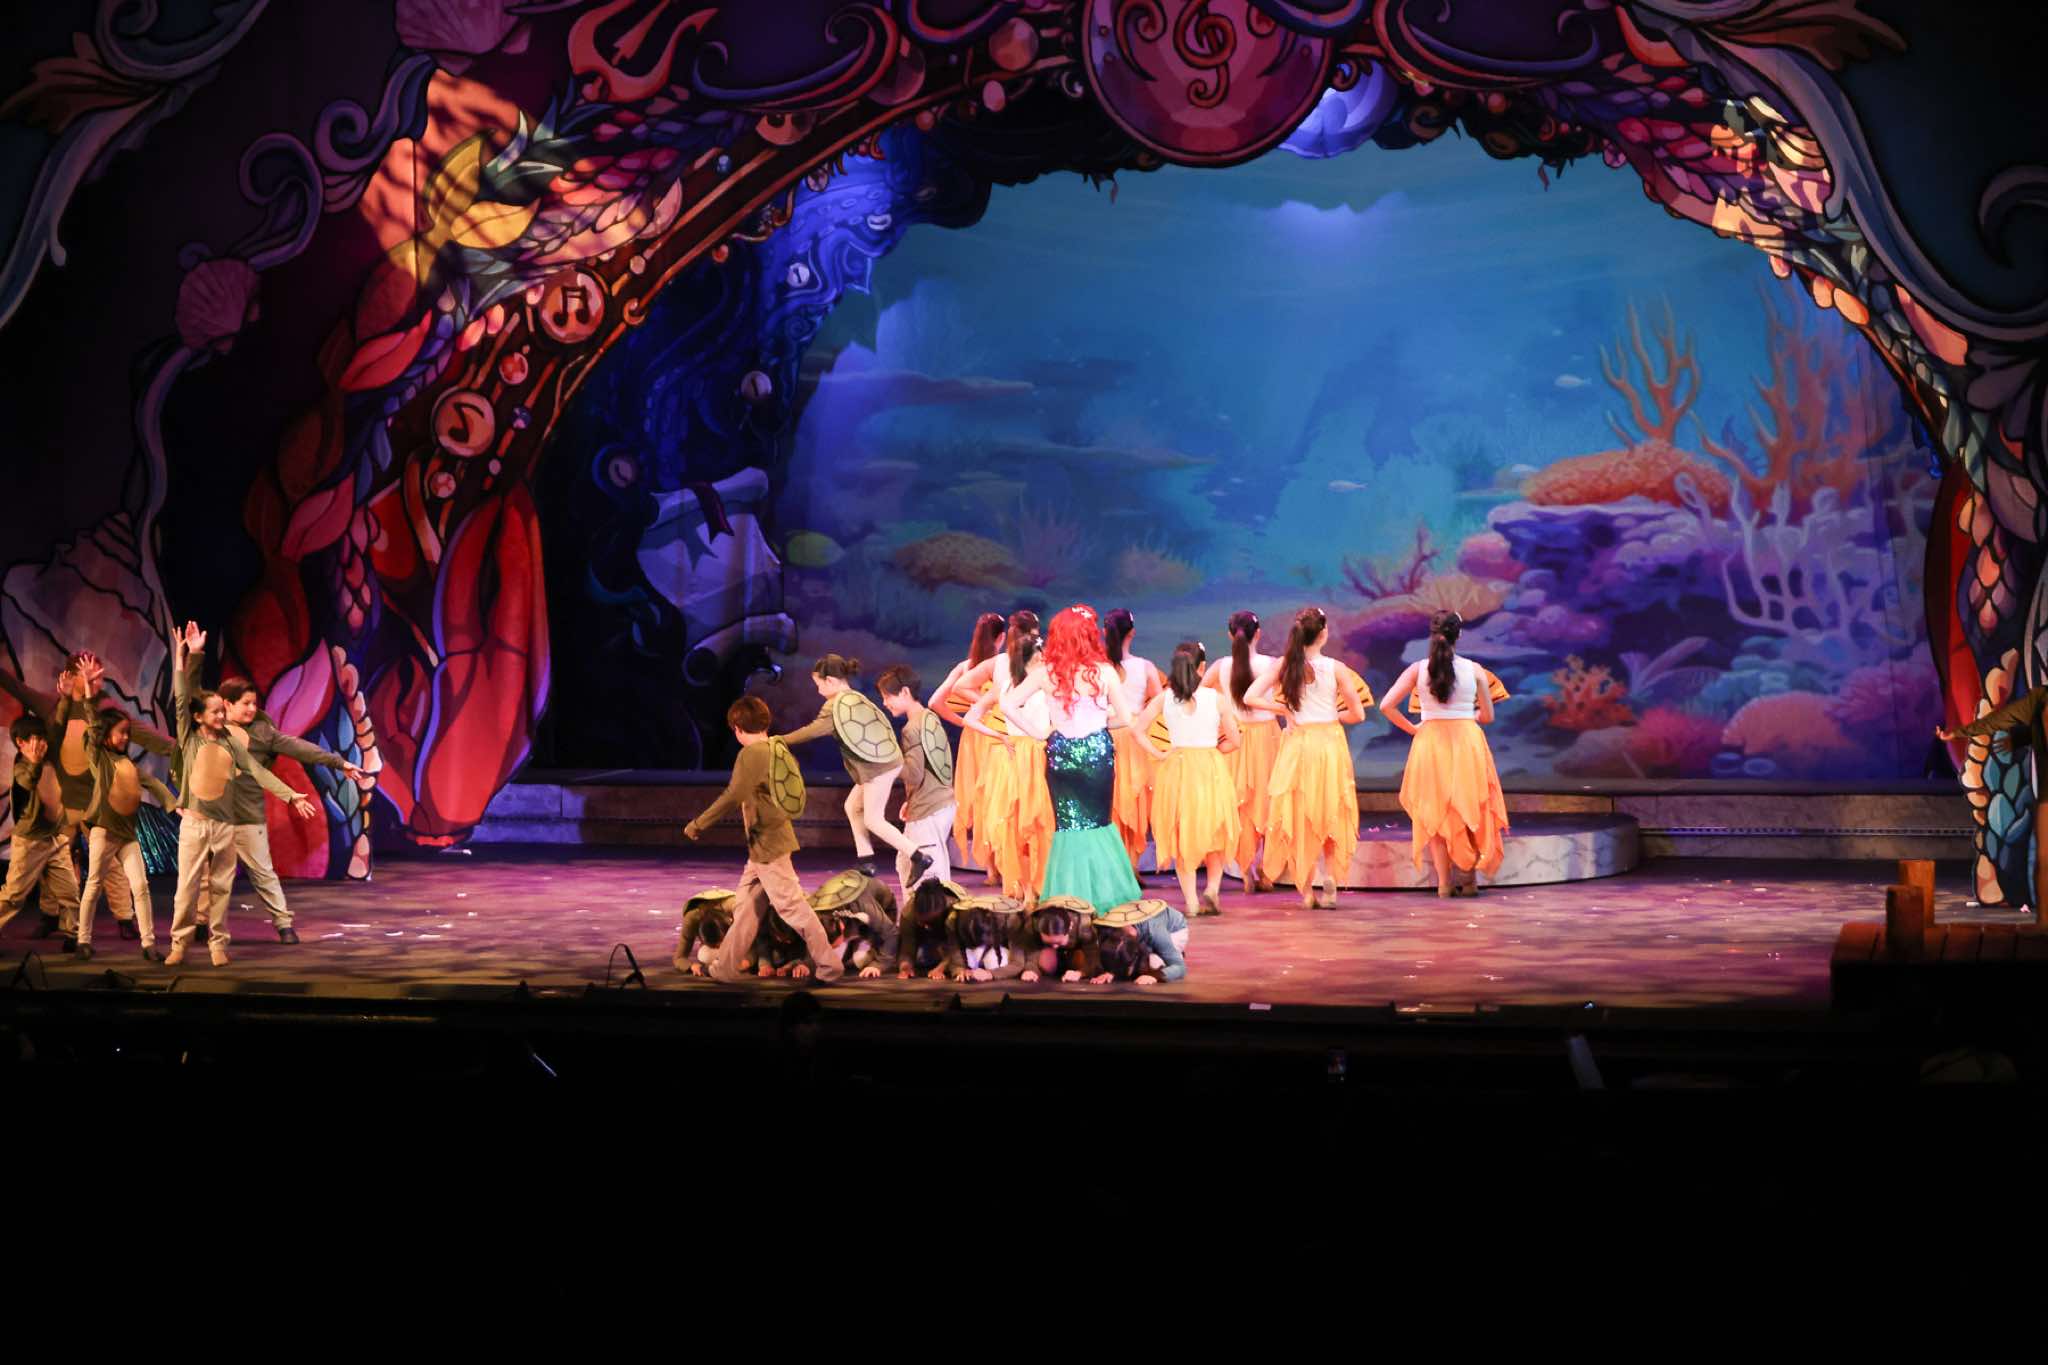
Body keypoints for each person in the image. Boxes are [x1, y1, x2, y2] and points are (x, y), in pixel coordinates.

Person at [166, 623, 317, 965]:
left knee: (222, 888)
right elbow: (182, 696)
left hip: (224, 825)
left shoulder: (232, 743)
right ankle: (179, 943)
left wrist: (291, 795)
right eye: (216, 711)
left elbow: (258, 771)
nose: (222, 716)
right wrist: (184, 656)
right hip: (194, 824)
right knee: (187, 888)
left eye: (223, 711)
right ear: (199, 717)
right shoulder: (190, 737)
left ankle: (218, 945)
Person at [1003, 605, 1161, 912]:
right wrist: (1099, 720)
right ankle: (1104, 898)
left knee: (1068, 827)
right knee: (1098, 824)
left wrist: (1040, 733)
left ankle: (1070, 901)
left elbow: (1008, 704)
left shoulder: (1046, 673)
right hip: (1096, 757)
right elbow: (1125, 718)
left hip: (1061, 757)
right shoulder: (1104, 673)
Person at [683, 695, 843, 983]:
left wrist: (698, 824)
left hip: (769, 846)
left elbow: (733, 795)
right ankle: (725, 969)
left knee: (793, 908)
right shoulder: (777, 747)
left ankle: (830, 967)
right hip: (763, 847)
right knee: (745, 909)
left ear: (737, 728)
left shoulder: (752, 754)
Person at [214, 673, 367, 944]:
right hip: (214, 816)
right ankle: (203, 924)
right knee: (213, 877)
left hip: (248, 816)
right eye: (246, 703)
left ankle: (283, 924)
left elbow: (299, 747)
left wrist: (338, 763)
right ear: (227, 704)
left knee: (263, 873)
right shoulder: (211, 731)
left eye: (254, 703)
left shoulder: (263, 733)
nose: (252, 709)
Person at [1243, 607, 1367, 909]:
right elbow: (1358, 714)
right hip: (1329, 744)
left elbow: (1250, 697)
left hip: (1298, 745)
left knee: (1301, 815)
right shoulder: (1336, 668)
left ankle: (1308, 891)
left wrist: (1283, 709)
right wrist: (1331, 715)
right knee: (1331, 809)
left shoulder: (1286, 665)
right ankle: (1331, 880)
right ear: (1323, 634)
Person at [1380, 611, 1509, 897]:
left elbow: (1386, 705)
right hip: (1466, 742)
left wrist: (1414, 729)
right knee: (1470, 806)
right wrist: (1467, 715)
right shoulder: (1475, 670)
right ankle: (1469, 879)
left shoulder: (1417, 669)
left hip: (1431, 743)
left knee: (1435, 810)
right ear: (1459, 634)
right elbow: (1488, 717)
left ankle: (1444, 883)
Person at [778, 655, 930, 890]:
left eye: (819, 684)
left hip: (878, 767)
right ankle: (866, 860)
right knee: (852, 806)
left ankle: (918, 856)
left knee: (873, 819)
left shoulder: (836, 706)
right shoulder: (854, 698)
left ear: (830, 681)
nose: (818, 690)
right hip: (880, 763)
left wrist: (778, 740)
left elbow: (812, 730)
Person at [1135, 646, 1241, 918]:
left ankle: (1192, 901)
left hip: (1178, 768)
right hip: (1210, 767)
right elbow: (1235, 740)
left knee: (1184, 833)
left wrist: (1159, 753)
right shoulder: (1216, 699)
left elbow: (1138, 730)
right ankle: (1213, 888)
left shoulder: (1164, 699)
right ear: (1201, 667)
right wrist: (1217, 750)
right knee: (1215, 831)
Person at [73, 693, 180, 962]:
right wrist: (89, 699)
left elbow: (154, 784)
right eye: (120, 732)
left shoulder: (128, 764)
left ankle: (148, 944)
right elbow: (92, 731)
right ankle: (83, 940)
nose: (125, 737)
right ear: (106, 736)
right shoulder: (101, 759)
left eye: (127, 733)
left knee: (141, 886)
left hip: (126, 835)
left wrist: (174, 804)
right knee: (94, 883)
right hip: (104, 831)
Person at [961, 612, 1053, 901]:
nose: (1044, 659)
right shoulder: (1009, 687)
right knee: (1017, 824)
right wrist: (999, 735)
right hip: (1022, 757)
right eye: (1040, 655)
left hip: (1036, 756)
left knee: (1039, 823)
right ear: (1029, 659)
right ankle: (1026, 889)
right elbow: (970, 717)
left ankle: (1039, 887)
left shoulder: (1038, 684)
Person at [1940, 687, 2048, 912]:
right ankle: (2043, 915)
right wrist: (1959, 733)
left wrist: (2020, 738)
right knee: (2041, 856)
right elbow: (1999, 719)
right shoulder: (2040, 699)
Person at [1204, 610, 1282, 892]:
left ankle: (1245, 868)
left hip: (1234, 740)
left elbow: (1200, 695)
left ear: (1229, 635)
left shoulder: (1220, 667)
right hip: (1267, 738)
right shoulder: (1271, 664)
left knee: (1239, 804)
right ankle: (1266, 869)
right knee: (1270, 800)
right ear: (1258, 634)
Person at [927, 612, 1005, 868]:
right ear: (1002, 637)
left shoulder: (966, 667)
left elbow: (934, 702)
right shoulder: (1002, 666)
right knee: (997, 795)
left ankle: (990, 868)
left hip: (974, 736)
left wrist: (965, 722)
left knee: (979, 796)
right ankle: (1001, 863)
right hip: (996, 735)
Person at [0, 712, 77, 949]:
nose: (41, 744)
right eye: (35, 739)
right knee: (13, 895)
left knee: (69, 892)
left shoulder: (49, 757)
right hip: (30, 842)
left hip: (55, 838)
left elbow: (59, 725)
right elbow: (28, 782)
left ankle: (74, 935)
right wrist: (33, 762)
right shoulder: (21, 768)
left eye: (43, 739)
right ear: (20, 743)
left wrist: (65, 701)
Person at [877, 665, 954, 893]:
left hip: (929, 809)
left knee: (927, 878)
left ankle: (926, 916)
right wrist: (911, 800)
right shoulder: (929, 717)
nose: (885, 703)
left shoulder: (912, 728)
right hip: (939, 803)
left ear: (905, 692)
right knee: (908, 862)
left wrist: (885, 762)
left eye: (888, 697)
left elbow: (914, 773)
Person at [1103, 608, 1164, 864]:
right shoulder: (1145, 667)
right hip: (1135, 737)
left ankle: (1114, 865)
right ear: (1133, 633)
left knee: (1110, 800)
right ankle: (1131, 865)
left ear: (1105, 633)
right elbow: (1160, 701)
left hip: (1105, 737)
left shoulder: (1097, 668)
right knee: (1134, 798)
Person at [1093, 898, 1190, 985]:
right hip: (1144, 937)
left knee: (1153, 964)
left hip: (1174, 931)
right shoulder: (1107, 929)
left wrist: (1155, 976)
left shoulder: (1154, 930)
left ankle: (1172, 952)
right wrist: (1111, 972)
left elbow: (1180, 968)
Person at [1016, 896, 1100, 983]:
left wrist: (1080, 973)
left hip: (1078, 948)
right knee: (1046, 965)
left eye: (1058, 942)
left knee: (1079, 961)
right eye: (1049, 943)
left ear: (1070, 927)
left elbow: (1094, 958)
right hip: (1048, 952)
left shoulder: (1084, 925)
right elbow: (1031, 956)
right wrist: (1031, 970)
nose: (1055, 947)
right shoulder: (1032, 925)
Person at [674, 887, 743, 976]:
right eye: (716, 946)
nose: (720, 948)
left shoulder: (738, 909)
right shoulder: (691, 919)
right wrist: (691, 966)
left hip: (741, 922)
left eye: (722, 943)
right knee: (705, 956)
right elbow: (679, 958)